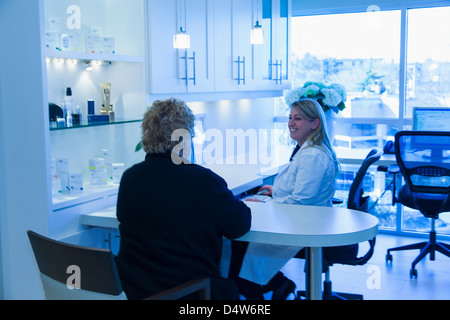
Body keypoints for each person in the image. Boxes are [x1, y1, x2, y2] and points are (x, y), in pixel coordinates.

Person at [115, 98, 251, 300]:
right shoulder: (205, 182)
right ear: (185, 138)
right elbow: (239, 225)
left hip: (137, 291)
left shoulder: (130, 178)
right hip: (191, 294)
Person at [229, 98, 340, 299]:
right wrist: (275, 191)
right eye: (290, 117)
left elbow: (300, 203)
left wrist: (263, 206)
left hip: (299, 226)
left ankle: (273, 285)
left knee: (239, 252)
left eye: (298, 118)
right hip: (298, 220)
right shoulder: (308, 151)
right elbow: (300, 191)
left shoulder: (312, 156)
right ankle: (273, 284)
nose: (291, 123)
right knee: (240, 254)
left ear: (315, 123)